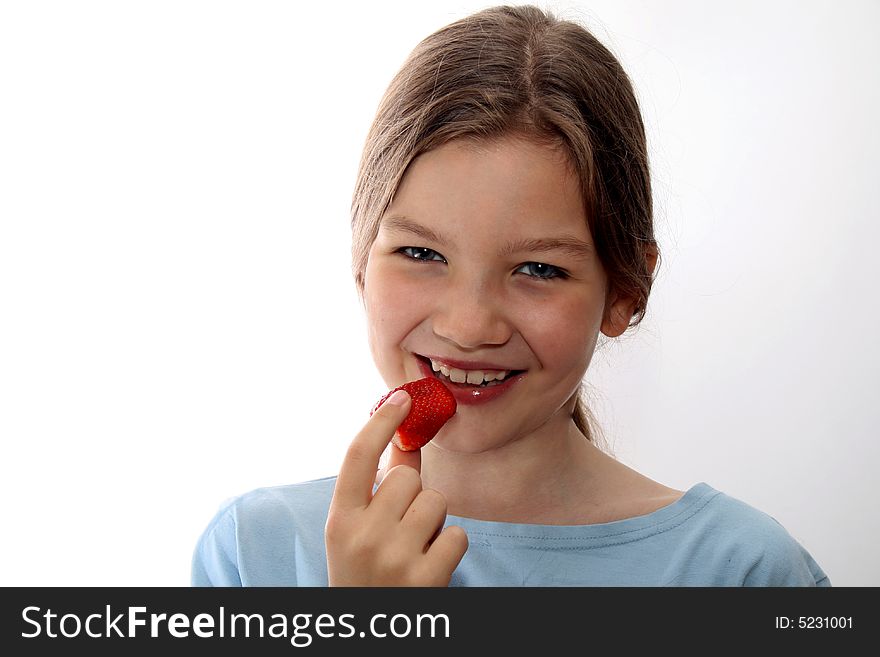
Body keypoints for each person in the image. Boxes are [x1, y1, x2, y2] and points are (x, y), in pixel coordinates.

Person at [191, 4, 829, 587]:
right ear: (362, 260)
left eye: (539, 270)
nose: (469, 326)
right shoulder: (253, 552)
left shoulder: (739, 573)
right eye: (421, 254)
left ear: (624, 291)